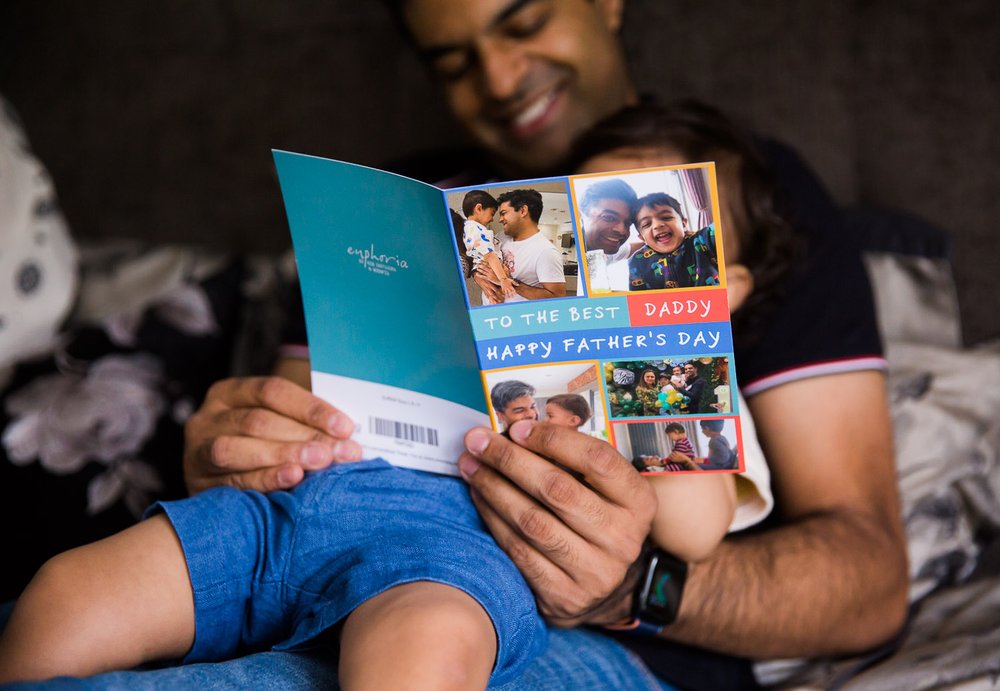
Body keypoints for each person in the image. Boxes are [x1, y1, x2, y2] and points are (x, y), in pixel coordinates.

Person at [55, 1, 906, 686]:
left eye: (524, 20)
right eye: (454, 60)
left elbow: (853, 572)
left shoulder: (738, 193)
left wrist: (625, 586)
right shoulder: (397, 203)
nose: (498, 78)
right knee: (68, 599)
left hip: (546, 624)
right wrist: (240, 455)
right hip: (338, 541)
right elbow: (294, 428)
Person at [0, 398, 744, 687]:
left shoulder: (686, 388)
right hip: (304, 503)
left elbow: (698, 527)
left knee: (419, 654)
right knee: (63, 591)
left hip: (458, 554)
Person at [480, 189, 566, 302]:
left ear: (523, 211)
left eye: (503, 213)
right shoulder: (499, 237)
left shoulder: (546, 251)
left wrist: (506, 280)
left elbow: (557, 297)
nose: (500, 220)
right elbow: (479, 264)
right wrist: (479, 279)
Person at [628, 191, 720, 291]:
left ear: (684, 224)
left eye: (666, 217)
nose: (657, 225)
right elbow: (638, 301)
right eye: (646, 224)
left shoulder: (703, 241)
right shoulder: (637, 261)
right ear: (642, 237)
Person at [577, 177, 643, 292]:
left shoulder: (602, 249)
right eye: (609, 217)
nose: (622, 230)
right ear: (580, 216)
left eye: (628, 223)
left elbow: (633, 248)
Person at [461, 190, 516, 304]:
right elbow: (490, 255)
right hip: (490, 268)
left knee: (493, 296)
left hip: (480, 269)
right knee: (498, 296)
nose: (492, 219)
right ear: (479, 208)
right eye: (492, 213)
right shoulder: (479, 230)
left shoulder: (466, 228)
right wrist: (503, 279)